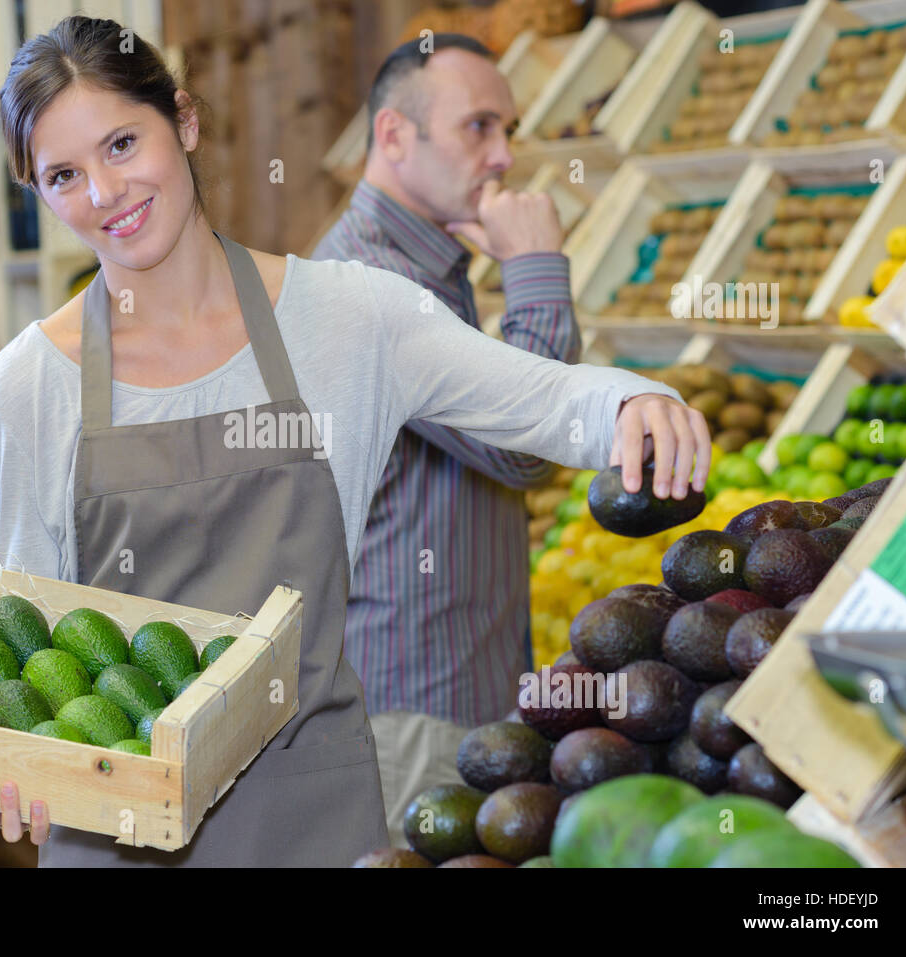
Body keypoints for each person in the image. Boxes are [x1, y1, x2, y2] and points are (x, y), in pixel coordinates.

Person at [0, 15, 710, 867]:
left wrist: (638, 401)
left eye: (123, 143)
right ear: (35, 192)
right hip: (116, 831)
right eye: (64, 175)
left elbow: (546, 400)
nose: (105, 192)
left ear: (184, 122)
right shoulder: (24, 387)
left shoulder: (348, 317)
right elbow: (28, 642)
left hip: (313, 817)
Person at [312, 35, 578, 847]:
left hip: (448, 693)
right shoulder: (376, 284)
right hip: (413, 707)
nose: (503, 157)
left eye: (509, 130)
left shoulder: (424, 270)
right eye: (479, 128)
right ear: (394, 136)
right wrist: (535, 266)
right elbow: (529, 444)